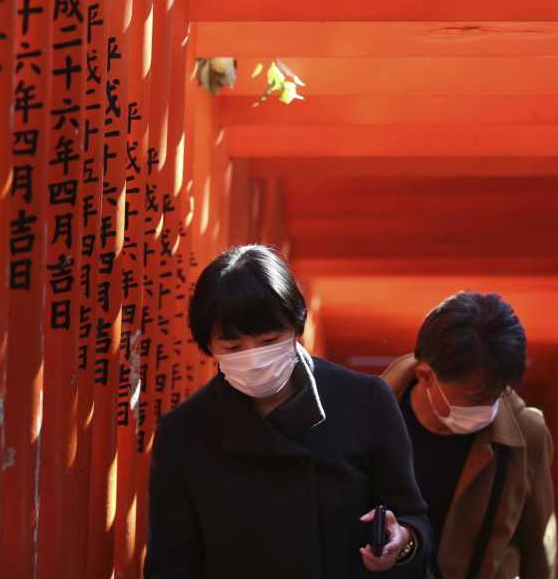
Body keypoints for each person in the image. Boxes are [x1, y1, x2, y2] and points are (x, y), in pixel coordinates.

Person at [145, 245, 431, 578]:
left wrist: (403, 542)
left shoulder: (364, 401)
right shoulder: (184, 432)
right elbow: (171, 562)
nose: (255, 358)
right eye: (233, 348)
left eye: (269, 340)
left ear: (296, 328)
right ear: (209, 346)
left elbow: (413, 518)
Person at [382, 292, 557, 579]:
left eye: (497, 393)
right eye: (476, 398)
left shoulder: (527, 436)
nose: (489, 407)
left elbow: (538, 548)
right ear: (426, 376)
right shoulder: (367, 420)